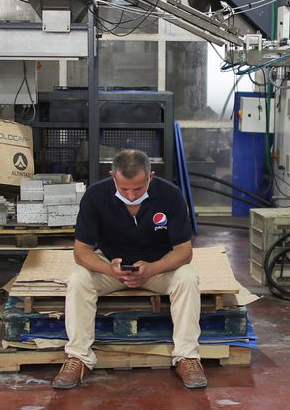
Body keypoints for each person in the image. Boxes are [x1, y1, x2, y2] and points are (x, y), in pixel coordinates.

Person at [52, 149, 206, 389]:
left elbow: (184, 251)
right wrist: (109, 269)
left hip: (157, 267)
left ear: (151, 177)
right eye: (124, 189)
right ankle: (78, 358)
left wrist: (153, 269)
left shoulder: (171, 195)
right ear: (112, 175)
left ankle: (187, 357)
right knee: (78, 279)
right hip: (112, 268)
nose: (131, 195)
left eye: (138, 188)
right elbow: (81, 251)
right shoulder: (95, 196)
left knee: (187, 278)